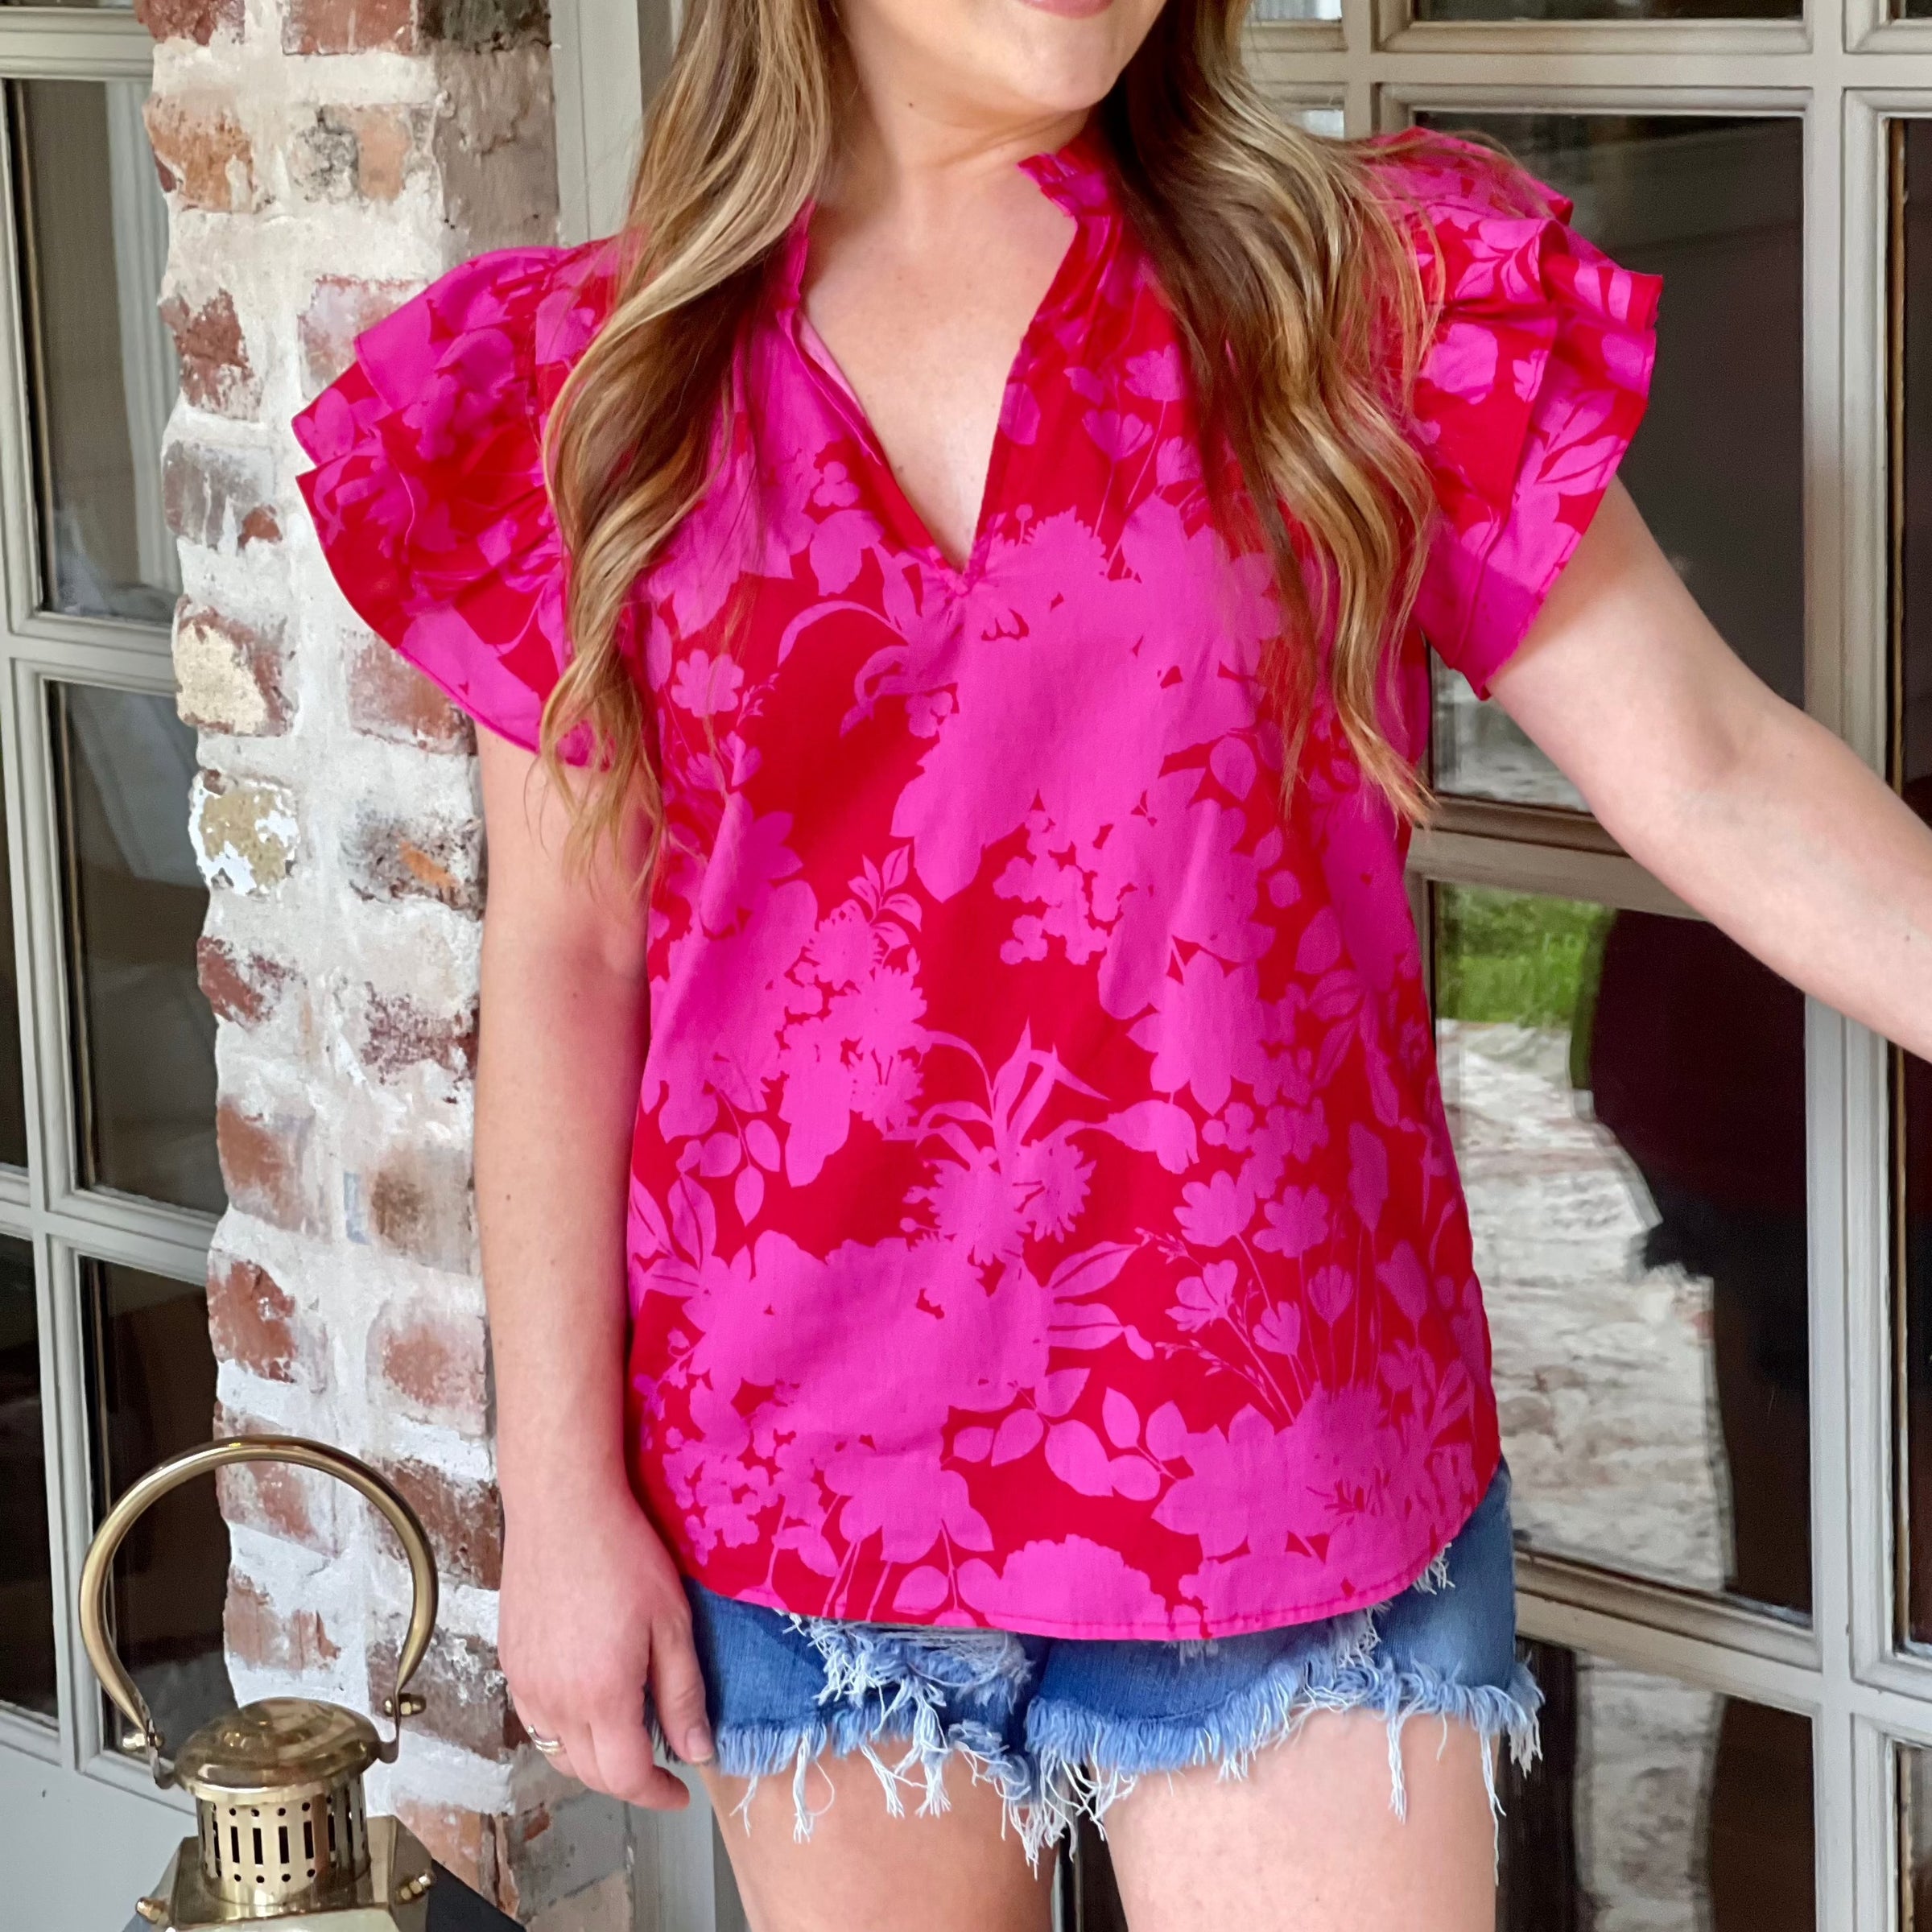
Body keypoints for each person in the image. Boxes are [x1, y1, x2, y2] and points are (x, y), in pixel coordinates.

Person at [291, 2, 1932, 1927]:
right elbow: (568, 965)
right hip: (800, 1468)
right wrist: (561, 1495)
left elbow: (1716, 770)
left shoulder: (1358, 297)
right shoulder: (595, 378)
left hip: (1278, 1433)